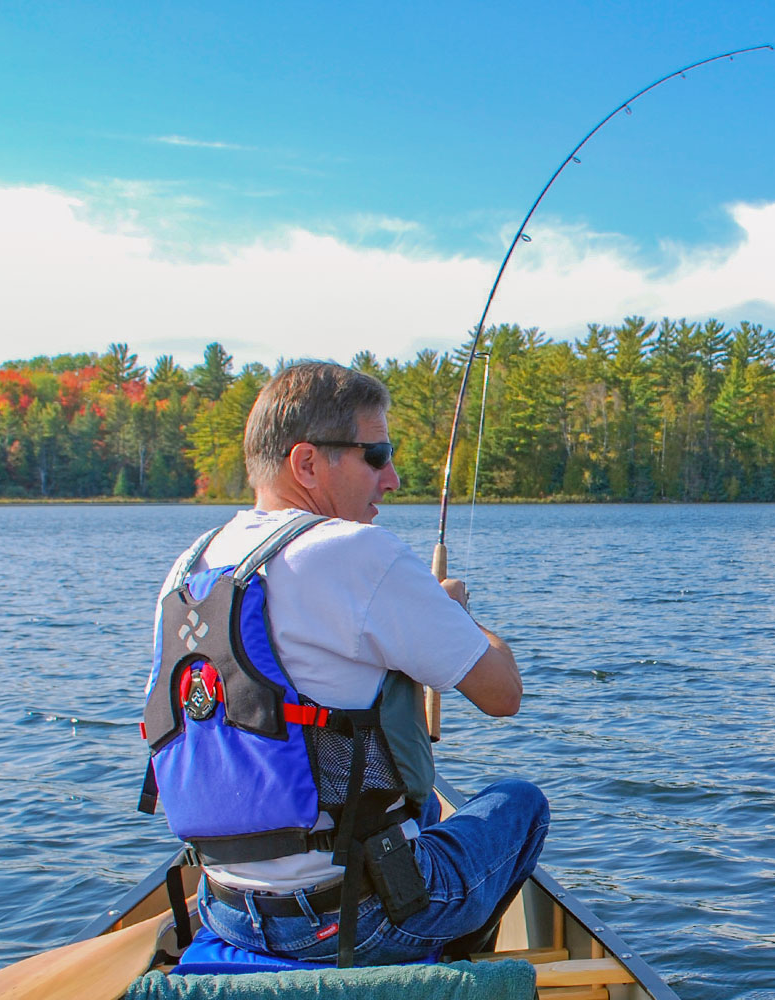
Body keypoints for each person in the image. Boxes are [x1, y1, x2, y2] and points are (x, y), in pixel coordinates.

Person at [139, 360, 547, 966]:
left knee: (423, 805)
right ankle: (435, 966)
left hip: (224, 905)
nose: (393, 478)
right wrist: (453, 613)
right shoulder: (354, 551)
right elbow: (502, 694)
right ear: (307, 463)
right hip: (358, 919)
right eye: (376, 455)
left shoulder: (187, 570)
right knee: (520, 804)